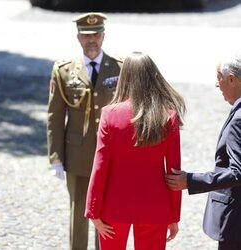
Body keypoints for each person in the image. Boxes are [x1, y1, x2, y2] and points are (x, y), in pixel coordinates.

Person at [84, 52, 186, 250]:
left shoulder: (109, 114)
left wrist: (93, 211)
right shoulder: (169, 116)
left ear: (124, 77)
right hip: (155, 206)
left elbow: (100, 166)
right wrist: (173, 215)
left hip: (114, 206)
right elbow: (174, 173)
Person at [47, 12, 122, 250]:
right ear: (78, 37)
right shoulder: (64, 70)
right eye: (87, 35)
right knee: (79, 211)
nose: (92, 40)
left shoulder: (119, 68)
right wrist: (56, 158)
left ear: (104, 36)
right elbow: (55, 116)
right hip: (77, 155)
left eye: (96, 34)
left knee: (108, 213)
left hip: (111, 156)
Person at [165, 54, 241, 250]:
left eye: (219, 77)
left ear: (232, 79)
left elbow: (237, 172)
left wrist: (190, 181)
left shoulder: (238, 119)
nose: (217, 85)